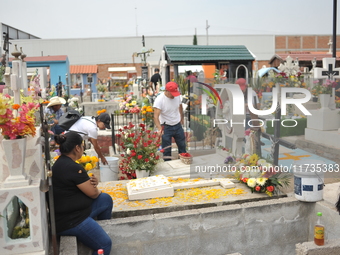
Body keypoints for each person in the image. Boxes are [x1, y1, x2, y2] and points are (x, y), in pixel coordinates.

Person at [52, 131, 113, 255]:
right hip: (72, 220)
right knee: (105, 244)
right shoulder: (73, 168)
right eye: (82, 145)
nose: (83, 148)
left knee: (105, 199)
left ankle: (98, 229)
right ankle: (95, 234)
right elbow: (94, 194)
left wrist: (91, 183)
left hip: (72, 212)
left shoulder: (60, 163)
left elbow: (78, 187)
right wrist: (96, 189)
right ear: (77, 148)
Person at [153, 81, 187, 161]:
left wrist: (181, 117)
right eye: (172, 93)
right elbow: (156, 116)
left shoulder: (177, 96)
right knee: (167, 149)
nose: (174, 95)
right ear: (166, 91)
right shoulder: (159, 100)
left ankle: (183, 162)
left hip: (177, 125)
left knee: (182, 146)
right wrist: (159, 128)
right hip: (166, 127)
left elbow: (180, 106)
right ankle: (167, 166)